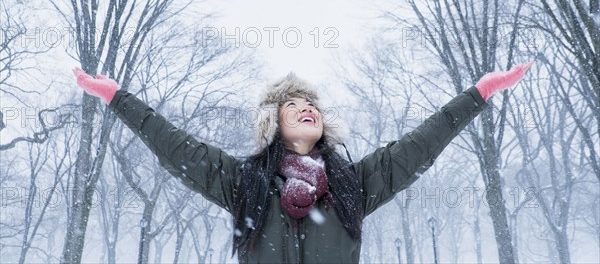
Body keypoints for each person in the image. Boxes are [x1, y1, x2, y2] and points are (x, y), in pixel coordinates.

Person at [72, 60, 534, 263]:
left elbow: (419, 145)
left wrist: (480, 93)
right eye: (291, 105)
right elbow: (175, 146)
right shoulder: (244, 184)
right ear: (273, 123)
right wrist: (116, 97)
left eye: (310, 103)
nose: (305, 107)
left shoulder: (351, 185)